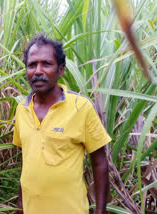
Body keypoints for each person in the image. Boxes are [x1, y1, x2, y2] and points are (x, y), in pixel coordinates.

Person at [12, 35, 111, 214]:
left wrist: (100, 211)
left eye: (46, 64)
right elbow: (27, 160)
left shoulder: (81, 107)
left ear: (61, 70)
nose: (38, 71)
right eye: (32, 65)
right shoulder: (22, 109)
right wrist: (20, 204)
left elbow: (100, 162)